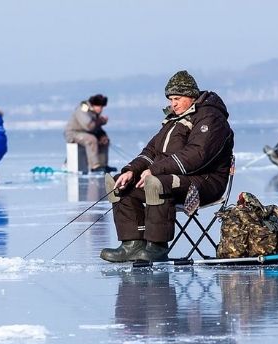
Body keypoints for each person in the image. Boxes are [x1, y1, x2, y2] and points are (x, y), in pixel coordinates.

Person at [99, 70, 234, 262]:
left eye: (177, 98)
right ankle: (132, 244)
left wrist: (154, 170)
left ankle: (157, 246)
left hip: (206, 183)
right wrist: (131, 170)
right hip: (176, 178)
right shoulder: (174, 120)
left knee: (157, 183)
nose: (173, 104)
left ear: (191, 96)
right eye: (171, 99)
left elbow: (197, 155)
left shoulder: (210, 118)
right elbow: (151, 152)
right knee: (120, 186)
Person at [64, 94, 116, 173]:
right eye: (99, 107)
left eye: (102, 107)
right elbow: (89, 126)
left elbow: (96, 127)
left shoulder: (93, 112)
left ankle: (103, 165)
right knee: (91, 139)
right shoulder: (82, 109)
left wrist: (102, 135)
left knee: (103, 140)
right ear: (93, 104)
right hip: (73, 133)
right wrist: (101, 121)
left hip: (85, 133)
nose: (101, 109)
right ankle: (94, 166)